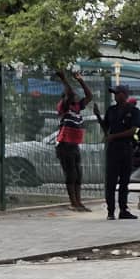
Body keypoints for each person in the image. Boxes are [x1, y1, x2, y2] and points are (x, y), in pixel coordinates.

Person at [95, 85, 140, 220]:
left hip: (126, 148)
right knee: (111, 181)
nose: (115, 96)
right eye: (114, 94)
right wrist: (98, 116)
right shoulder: (111, 110)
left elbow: (133, 130)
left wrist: (114, 136)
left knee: (124, 181)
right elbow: (106, 128)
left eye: (117, 93)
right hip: (113, 149)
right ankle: (110, 211)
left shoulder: (133, 111)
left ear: (125, 95)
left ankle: (123, 209)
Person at [55, 70, 93, 212]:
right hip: (64, 145)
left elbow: (90, 96)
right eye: (73, 95)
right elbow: (70, 93)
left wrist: (80, 80)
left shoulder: (77, 108)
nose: (76, 96)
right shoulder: (64, 107)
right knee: (71, 175)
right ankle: (73, 202)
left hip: (74, 146)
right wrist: (64, 79)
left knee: (78, 175)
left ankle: (79, 202)